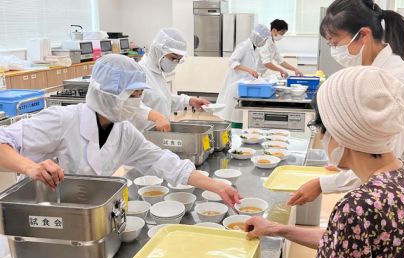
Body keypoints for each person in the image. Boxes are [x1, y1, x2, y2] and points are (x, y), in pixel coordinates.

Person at [199, 66, 404, 258]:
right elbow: (347, 245)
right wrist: (278, 229)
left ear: (342, 130)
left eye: (321, 127)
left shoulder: (359, 207)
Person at [0, 54, 239, 205]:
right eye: (132, 95)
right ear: (107, 93)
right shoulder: (63, 120)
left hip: (89, 210)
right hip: (47, 211)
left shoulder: (123, 132)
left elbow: (165, 162)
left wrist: (217, 186)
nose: (137, 102)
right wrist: (30, 167)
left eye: (139, 95)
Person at [289, 0, 404, 206]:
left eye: (335, 42)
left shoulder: (395, 81)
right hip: (393, 181)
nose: (334, 51)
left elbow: (386, 156)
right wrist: (350, 159)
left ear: (364, 35)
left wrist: (323, 184)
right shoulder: (373, 72)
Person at [138, 28, 210, 132]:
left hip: (157, 136)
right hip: (142, 136)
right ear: (158, 50)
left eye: (178, 60)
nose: (174, 63)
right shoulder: (139, 72)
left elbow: (163, 100)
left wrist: (190, 101)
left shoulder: (157, 72)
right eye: (173, 58)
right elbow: (131, 106)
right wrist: (156, 116)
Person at [215, 24, 271, 127]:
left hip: (243, 86)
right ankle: (232, 136)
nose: (265, 41)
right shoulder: (244, 45)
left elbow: (252, 65)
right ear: (258, 37)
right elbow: (232, 62)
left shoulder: (255, 49)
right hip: (235, 85)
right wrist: (250, 70)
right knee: (233, 115)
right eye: (264, 39)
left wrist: (256, 74)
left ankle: (237, 135)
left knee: (239, 115)